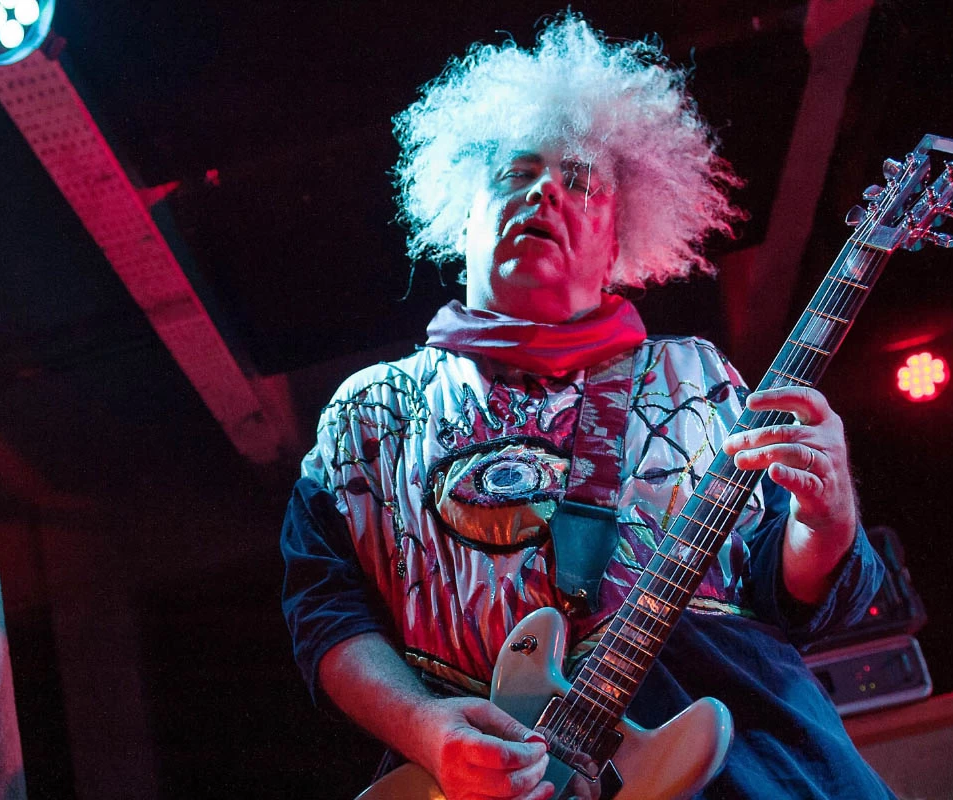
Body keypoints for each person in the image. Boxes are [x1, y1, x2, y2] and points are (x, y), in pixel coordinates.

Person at [282, 13, 896, 800]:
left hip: (753, 767)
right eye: (516, 172)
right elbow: (326, 613)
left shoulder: (698, 375)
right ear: (462, 211)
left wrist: (828, 517)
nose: (545, 189)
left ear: (616, 241)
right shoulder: (366, 417)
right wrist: (427, 730)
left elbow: (799, 591)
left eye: (579, 182)